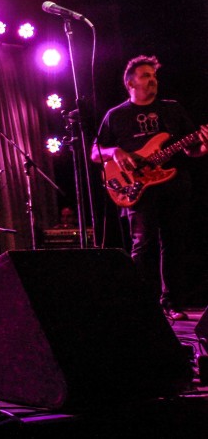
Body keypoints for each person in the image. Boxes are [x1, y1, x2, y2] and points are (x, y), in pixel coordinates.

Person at [91, 54, 208, 321]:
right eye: (146, 76)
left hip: (173, 186)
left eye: (154, 76)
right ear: (130, 83)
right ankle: (141, 303)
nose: (153, 80)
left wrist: (203, 146)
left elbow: (191, 150)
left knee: (174, 244)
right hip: (136, 187)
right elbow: (95, 153)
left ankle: (172, 303)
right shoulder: (115, 115)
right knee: (143, 244)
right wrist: (116, 151)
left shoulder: (172, 110)